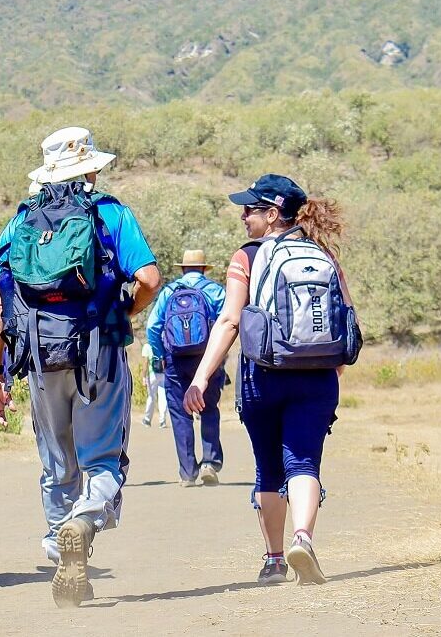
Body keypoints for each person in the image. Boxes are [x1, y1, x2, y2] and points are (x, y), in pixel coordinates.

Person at [0, 126, 161, 607]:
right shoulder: (109, 213)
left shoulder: (22, 220)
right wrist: (124, 313)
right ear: (91, 169)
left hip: (40, 355)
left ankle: (64, 553)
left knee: (58, 462)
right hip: (99, 351)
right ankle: (85, 521)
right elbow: (149, 278)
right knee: (101, 457)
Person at [183, 174, 358, 587]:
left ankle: (275, 560)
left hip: (263, 376)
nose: (244, 217)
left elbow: (229, 321)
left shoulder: (246, 257)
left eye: (250, 209)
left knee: (268, 469)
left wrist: (201, 377)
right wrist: (330, 369)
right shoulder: (323, 254)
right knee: (304, 461)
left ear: (273, 214)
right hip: (317, 380)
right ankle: (304, 538)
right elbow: (347, 320)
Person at [145, 249, 226, 486]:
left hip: (176, 361)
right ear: (203, 268)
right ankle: (210, 462)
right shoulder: (214, 291)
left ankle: (188, 472)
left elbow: (152, 327)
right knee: (209, 409)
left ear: (182, 269)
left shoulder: (170, 291)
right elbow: (228, 323)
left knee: (181, 414)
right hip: (207, 360)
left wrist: (160, 355)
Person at [140, 341, 167, 428]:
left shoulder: (147, 346)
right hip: (162, 374)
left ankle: (147, 419)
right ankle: (162, 421)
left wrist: (144, 377)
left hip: (152, 374)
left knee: (151, 397)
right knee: (162, 397)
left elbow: (145, 363)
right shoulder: (160, 345)